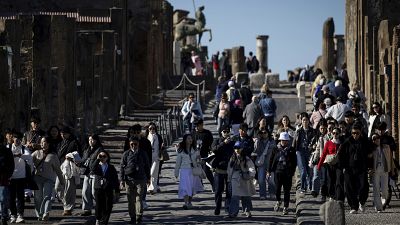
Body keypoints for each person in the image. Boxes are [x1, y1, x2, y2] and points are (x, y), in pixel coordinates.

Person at [338, 123, 372, 214]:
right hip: (349, 167)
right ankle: (353, 206)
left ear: (360, 132)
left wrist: (370, 167)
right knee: (349, 187)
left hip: (362, 167)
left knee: (363, 186)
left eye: (357, 133)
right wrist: (343, 167)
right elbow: (341, 155)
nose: (355, 135)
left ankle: (362, 201)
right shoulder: (347, 141)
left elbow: (370, 155)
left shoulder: (365, 141)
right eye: (353, 133)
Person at [31, 136, 65, 221]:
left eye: (45, 142)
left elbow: (58, 169)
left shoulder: (53, 155)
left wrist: (62, 181)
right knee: (38, 198)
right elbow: (28, 160)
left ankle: (46, 213)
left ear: (49, 144)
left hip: (49, 179)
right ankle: (40, 214)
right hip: (37, 178)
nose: (43, 144)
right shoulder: (36, 153)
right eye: (41, 142)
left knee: (47, 196)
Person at [120, 136, 150, 224]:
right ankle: (132, 217)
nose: (133, 146)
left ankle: (139, 215)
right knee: (130, 200)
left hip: (141, 179)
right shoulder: (126, 154)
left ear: (138, 144)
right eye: (132, 144)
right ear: (129, 144)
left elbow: (147, 166)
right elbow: (122, 167)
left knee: (139, 199)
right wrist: (121, 180)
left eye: (135, 144)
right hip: (129, 180)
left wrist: (148, 178)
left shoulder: (143, 153)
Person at [269, 132, 297, 215]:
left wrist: (292, 172)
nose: (284, 142)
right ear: (280, 140)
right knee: (277, 189)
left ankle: (286, 207)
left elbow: (294, 162)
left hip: (287, 172)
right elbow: (271, 159)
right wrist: (269, 170)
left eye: (286, 140)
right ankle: (278, 200)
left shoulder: (291, 149)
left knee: (286, 190)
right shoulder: (275, 149)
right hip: (278, 171)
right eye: (282, 140)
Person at [227, 141, 256, 218]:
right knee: (235, 196)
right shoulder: (232, 158)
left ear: (242, 148)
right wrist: (229, 179)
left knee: (246, 196)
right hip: (235, 178)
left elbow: (251, 168)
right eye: (235, 148)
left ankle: (247, 210)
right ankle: (233, 212)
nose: (237, 150)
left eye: (238, 148)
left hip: (245, 178)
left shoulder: (246, 158)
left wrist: (251, 175)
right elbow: (229, 169)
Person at [174, 134, 204, 210]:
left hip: (193, 171)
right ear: (185, 140)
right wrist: (176, 172)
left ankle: (189, 202)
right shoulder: (181, 151)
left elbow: (198, 161)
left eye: (191, 138)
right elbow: (178, 163)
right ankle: (186, 203)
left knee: (191, 187)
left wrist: (199, 159)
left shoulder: (195, 150)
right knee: (185, 187)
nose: (190, 140)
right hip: (184, 171)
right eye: (188, 138)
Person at [9, 132, 33, 223]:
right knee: (11, 197)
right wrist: (13, 155)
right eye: (16, 138)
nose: (17, 140)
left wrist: (20, 155)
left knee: (20, 197)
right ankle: (13, 215)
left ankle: (20, 215)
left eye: (19, 138)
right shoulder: (8, 148)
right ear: (12, 138)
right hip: (10, 176)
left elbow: (29, 157)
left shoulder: (24, 148)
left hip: (21, 176)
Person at [91, 150, 119, 225]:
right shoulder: (97, 166)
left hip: (108, 188)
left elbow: (115, 179)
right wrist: (97, 159)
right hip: (98, 188)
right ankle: (98, 218)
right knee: (99, 205)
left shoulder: (111, 167)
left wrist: (117, 190)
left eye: (104, 156)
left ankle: (105, 221)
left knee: (108, 206)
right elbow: (92, 169)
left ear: (107, 158)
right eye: (100, 156)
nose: (102, 158)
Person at [211, 126, 234, 215]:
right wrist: (223, 143)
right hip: (219, 170)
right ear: (221, 132)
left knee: (229, 191)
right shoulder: (217, 141)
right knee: (218, 190)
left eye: (228, 131)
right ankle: (218, 206)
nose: (226, 133)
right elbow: (213, 149)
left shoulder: (232, 142)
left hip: (229, 170)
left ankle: (227, 207)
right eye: (224, 131)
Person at [79, 134, 104, 216]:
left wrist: (94, 168)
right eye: (89, 140)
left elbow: (100, 161)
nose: (91, 141)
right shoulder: (87, 149)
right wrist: (78, 162)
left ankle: (99, 207)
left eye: (92, 140)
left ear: (96, 140)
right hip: (87, 173)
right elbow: (83, 159)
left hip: (96, 173)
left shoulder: (100, 150)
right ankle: (87, 209)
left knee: (94, 192)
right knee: (85, 191)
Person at [293, 113, 316, 193]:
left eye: (306, 120)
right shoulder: (298, 131)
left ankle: (310, 185)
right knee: (303, 171)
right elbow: (294, 143)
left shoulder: (313, 131)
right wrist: (295, 151)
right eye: (303, 120)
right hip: (300, 151)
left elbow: (315, 141)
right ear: (301, 121)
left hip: (310, 152)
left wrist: (313, 147)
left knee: (309, 170)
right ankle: (303, 187)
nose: (305, 121)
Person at [370, 133, 394, 212]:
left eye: (377, 138)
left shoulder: (386, 147)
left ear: (380, 139)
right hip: (375, 171)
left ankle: (383, 202)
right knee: (376, 189)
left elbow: (391, 159)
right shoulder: (371, 149)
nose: (376, 140)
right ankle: (378, 207)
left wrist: (392, 170)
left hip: (385, 170)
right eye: (374, 139)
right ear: (372, 141)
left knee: (385, 190)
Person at [317, 127, 341, 201]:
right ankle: (331, 195)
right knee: (330, 180)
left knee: (338, 180)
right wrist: (319, 166)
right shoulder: (328, 143)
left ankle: (338, 196)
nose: (335, 135)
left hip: (338, 165)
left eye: (337, 133)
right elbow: (324, 154)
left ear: (339, 134)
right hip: (330, 164)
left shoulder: (341, 143)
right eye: (333, 133)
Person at [191, 119, 214, 191]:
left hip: (205, 156)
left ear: (201, 125)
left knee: (207, 171)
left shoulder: (207, 133)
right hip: (195, 156)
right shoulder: (193, 133)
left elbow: (212, 144)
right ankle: (200, 186)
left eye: (198, 126)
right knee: (197, 172)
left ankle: (214, 185)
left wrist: (212, 152)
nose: (196, 128)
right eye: (195, 126)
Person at [253, 129, 275, 199]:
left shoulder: (272, 141)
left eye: (265, 132)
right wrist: (257, 140)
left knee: (271, 180)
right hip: (261, 163)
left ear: (268, 133)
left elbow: (274, 152)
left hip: (270, 162)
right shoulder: (259, 141)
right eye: (262, 133)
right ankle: (262, 194)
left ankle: (272, 193)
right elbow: (255, 150)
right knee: (261, 179)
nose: (263, 134)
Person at [0, 134, 15, 225]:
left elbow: (11, 165)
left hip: (3, 178)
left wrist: (8, 175)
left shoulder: (7, 151)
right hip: (4, 178)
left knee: (3, 198)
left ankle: (4, 216)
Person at [145, 123, 164, 194]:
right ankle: (152, 188)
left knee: (153, 172)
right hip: (148, 157)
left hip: (156, 157)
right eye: (150, 128)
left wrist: (162, 146)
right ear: (148, 129)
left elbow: (162, 145)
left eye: (153, 128)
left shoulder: (158, 136)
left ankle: (152, 187)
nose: (152, 130)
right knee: (149, 172)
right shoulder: (146, 137)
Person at [61, 151, 81, 216]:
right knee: (57, 188)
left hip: (71, 174)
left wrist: (72, 158)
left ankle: (68, 209)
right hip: (60, 168)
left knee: (69, 192)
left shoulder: (75, 143)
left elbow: (78, 159)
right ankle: (66, 204)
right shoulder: (60, 142)